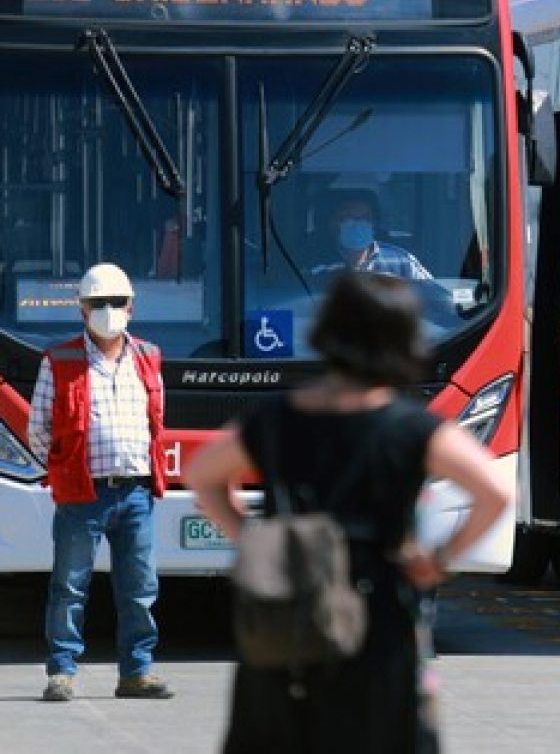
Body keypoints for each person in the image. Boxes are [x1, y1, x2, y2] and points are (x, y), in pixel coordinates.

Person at [185, 270, 511, 753]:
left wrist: (250, 536)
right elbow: (496, 492)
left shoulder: (273, 418)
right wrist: (438, 559)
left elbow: (203, 476)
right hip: (377, 611)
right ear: (403, 339)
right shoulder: (410, 428)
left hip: (288, 604)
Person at [27, 262, 173, 702]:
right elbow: (39, 429)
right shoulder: (60, 359)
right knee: (70, 587)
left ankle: (136, 673)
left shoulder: (148, 356)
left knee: (140, 589)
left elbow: (157, 420)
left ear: (131, 306)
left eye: (114, 302)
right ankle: (63, 672)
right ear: (81, 310)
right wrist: (63, 469)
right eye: (97, 303)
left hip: (136, 492)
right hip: (82, 493)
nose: (107, 310)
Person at [310, 189, 432, 281]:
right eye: (346, 218)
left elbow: (434, 298)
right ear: (331, 223)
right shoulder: (311, 265)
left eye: (364, 218)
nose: (356, 225)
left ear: (374, 223)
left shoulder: (402, 262)